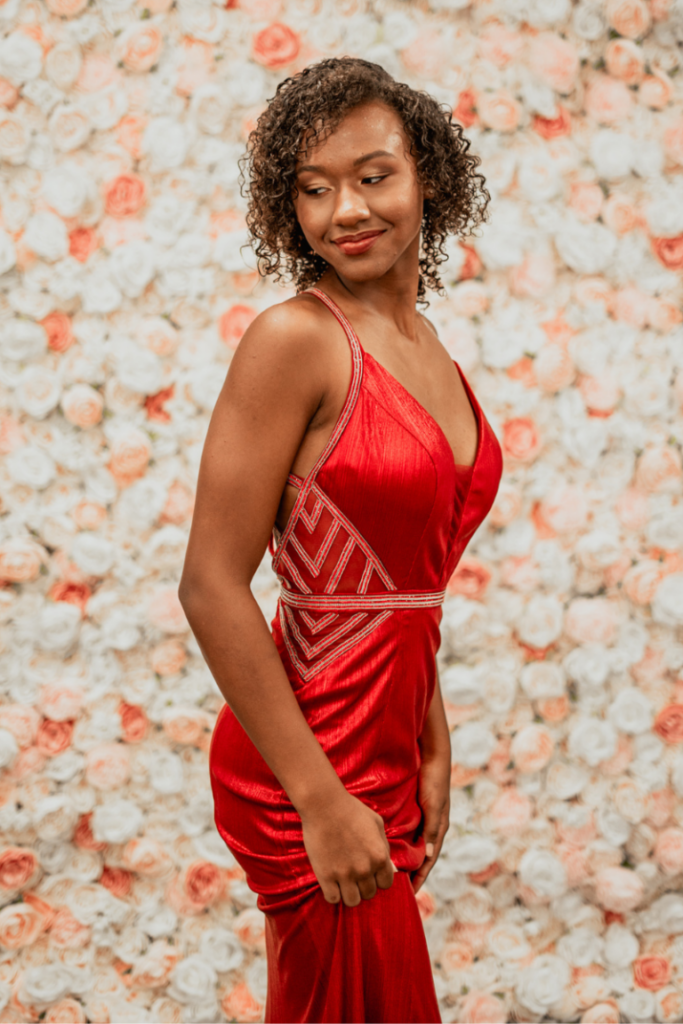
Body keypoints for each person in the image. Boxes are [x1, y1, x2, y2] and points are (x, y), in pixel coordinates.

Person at [179, 56, 502, 1024]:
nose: (344, 211)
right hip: (306, 763)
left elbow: (407, 584)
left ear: (428, 178)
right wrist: (320, 799)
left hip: (388, 748)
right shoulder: (296, 338)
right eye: (312, 190)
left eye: (372, 175)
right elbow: (208, 583)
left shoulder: (425, 345)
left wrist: (431, 739)